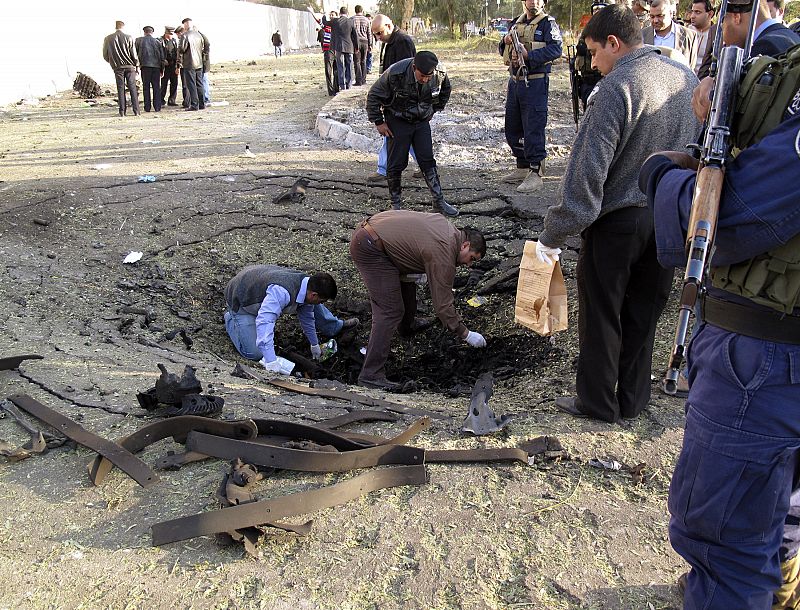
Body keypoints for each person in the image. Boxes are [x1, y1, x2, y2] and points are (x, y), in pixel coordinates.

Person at [639, 108, 800, 610]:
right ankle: (781, 583)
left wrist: (660, 174)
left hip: (763, 357)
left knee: (726, 552)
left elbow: (723, 221)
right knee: (782, 514)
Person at [536, 4, 700, 423]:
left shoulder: (616, 88)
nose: (593, 64)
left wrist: (553, 235)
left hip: (617, 221)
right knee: (644, 314)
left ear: (614, 43)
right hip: (669, 217)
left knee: (603, 315)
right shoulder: (686, 78)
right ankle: (632, 401)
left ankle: (596, 403)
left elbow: (586, 176)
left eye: (594, 52)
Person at [349, 210, 487, 390]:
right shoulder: (445, 251)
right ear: (465, 245)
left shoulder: (448, 229)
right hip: (371, 247)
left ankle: (407, 327)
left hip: (376, 236)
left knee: (408, 283)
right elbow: (443, 305)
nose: (468, 265)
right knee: (389, 311)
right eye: (471, 258)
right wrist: (465, 334)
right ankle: (371, 374)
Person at [366, 50, 459, 218]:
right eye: (422, 75)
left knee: (427, 160)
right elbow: (373, 96)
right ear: (414, 67)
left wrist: (434, 110)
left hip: (421, 121)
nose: (425, 79)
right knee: (396, 163)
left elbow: (445, 91)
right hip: (398, 120)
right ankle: (396, 206)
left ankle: (439, 201)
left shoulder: (440, 73)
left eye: (428, 76)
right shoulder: (395, 73)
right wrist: (379, 122)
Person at [224, 265, 358, 371]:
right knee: (255, 353)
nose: (321, 304)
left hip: (260, 278)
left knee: (313, 306)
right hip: (241, 300)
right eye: (322, 300)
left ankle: (334, 326)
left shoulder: (307, 284)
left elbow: (307, 316)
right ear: (313, 295)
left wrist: (314, 344)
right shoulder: (281, 293)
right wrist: (271, 360)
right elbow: (265, 321)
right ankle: (230, 319)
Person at [691, 0, 800, 122]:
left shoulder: (764, 48)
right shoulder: (789, 37)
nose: (722, 33)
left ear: (736, 17)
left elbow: (742, 119)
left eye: (722, 22)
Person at [498, 0, 563, 193]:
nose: (533, 2)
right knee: (513, 125)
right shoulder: (515, 23)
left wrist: (529, 55)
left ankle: (536, 172)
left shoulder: (547, 23)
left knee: (533, 125)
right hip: (515, 81)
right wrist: (505, 42)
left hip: (535, 81)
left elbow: (556, 49)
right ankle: (522, 166)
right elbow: (502, 50)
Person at [368, 14, 417, 185]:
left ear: (389, 26)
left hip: (402, 100)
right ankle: (421, 166)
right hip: (394, 98)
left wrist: (396, 99)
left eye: (379, 33)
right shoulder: (390, 41)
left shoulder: (402, 41)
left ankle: (386, 168)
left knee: (400, 134)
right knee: (396, 135)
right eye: (375, 34)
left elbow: (406, 72)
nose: (377, 37)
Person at [643, 0, 698, 68]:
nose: (655, 20)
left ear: (671, 14)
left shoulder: (689, 36)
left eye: (660, 16)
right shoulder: (642, 36)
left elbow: (691, 68)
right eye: (652, 17)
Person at [102, 20, 140, 117]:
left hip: (117, 67)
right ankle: (136, 111)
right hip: (130, 66)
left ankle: (122, 111)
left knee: (120, 88)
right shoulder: (129, 37)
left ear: (115, 27)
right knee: (132, 88)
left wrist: (113, 62)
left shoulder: (108, 38)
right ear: (123, 27)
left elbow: (105, 55)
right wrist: (136, 65)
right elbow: (134, 54)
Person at [310, 8, 339, 96]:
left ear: (337, 16)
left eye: (333, 15)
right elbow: (318, 20)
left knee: (336, 71)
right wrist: (312, 12)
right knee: (328, 71)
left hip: (337, 50)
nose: (331, 16)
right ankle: (331, 91)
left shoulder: (339, 26)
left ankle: (336, 88)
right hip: (328, 50)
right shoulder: (327, 25)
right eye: (330, 15)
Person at [135, 26, 164, 113]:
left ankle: (147, 107)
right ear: (152, 32)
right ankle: (157, 107)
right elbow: (162, 57)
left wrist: (137, 66)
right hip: (156, 67)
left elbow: (135, 54)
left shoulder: (139, 41)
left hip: (145, 66)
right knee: (156, 87)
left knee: (146, 87)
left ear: (144, 32)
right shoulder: (158, 42)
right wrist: (162, 70)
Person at [179, 17, 206, 111]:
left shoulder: (185, 35)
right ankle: (202, 104)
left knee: (191, 84)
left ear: (186, 24)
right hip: (199, 63)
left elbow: (182, 49)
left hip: (189, 63)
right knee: (199, 83)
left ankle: (194, 105)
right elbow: (203, 47)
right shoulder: (199, 35)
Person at [330, 6, 359, 91]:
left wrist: (325, 16)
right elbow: (355, 35)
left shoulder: (335, 21)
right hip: (349, 47)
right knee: (349, 65)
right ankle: (349, 84)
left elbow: (324, 22)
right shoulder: (351, 21)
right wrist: (356, 47)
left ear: (339, 13)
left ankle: (342, 85)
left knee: (340, 66)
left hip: (339, 47)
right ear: (347, 13)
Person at [689, 0, 716, 78]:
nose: (692, 16)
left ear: (710, 14)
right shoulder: (684, 33)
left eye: (697, 12)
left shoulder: (717, 36)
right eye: (692, 11)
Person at [352, 5, 372, 85]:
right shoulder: (366, 20)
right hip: (365, 42)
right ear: (362, 11)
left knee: (357, 61)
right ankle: (364, 79)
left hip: (356, 42)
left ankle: (358, 80)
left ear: (355, 10)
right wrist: (370, 44)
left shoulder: (352, 19)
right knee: (363, 61)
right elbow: (369, 33)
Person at [160, 26, 180, 107]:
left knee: (174, 83)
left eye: (172, 34)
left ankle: (172, 100)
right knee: (164, 84)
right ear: (166, 33)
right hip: (165, 66)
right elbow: (158, 53)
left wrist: (177, 65)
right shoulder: (160, 41)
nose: (171, 35)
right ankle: (161, 100)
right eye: (170, 34)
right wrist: (162, 60)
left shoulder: (174, 41)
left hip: (173, 65)